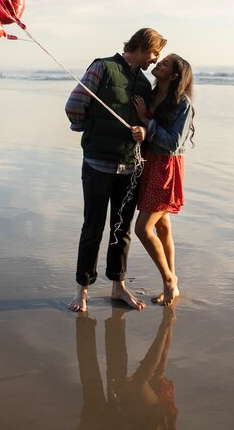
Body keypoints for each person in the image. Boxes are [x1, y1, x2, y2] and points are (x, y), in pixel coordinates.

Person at [66, 28, 168, 312]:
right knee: (93, 228)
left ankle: (118, 286)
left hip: (131, 168)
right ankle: (82, 289)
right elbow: (74, 106)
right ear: (143, 46)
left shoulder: (143, 85)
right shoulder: (103, 67)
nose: (155, 60)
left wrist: (143, 133)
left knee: (121, 230)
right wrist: (94, 131)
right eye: (154, 53)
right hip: (98, 165)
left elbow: (148, 123)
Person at [131, 54, 195, 306]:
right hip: (149, 163)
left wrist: (147, 123)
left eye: (165, 64)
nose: (158, 64)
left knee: (142, 229)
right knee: (163, 227)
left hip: (165, 167)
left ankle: (168, 279)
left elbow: (173, 142)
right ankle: (174, 284)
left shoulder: (182, 103)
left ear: (175, 75)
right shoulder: (151, 94)